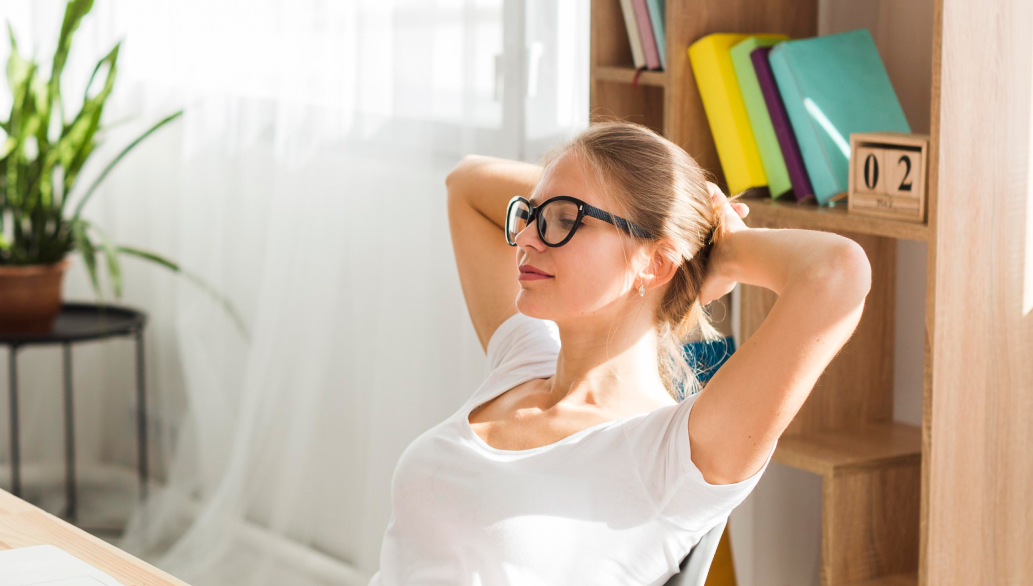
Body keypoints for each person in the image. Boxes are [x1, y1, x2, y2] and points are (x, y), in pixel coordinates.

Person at [369, 122, 873, 585]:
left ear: (655, 264)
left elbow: (838, 272)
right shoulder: (522, 362)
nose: (524, 238)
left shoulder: (672, 457)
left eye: (564, 219)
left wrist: (723, 248)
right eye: (532, 214)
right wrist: (667, 225)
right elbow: (466, 181)